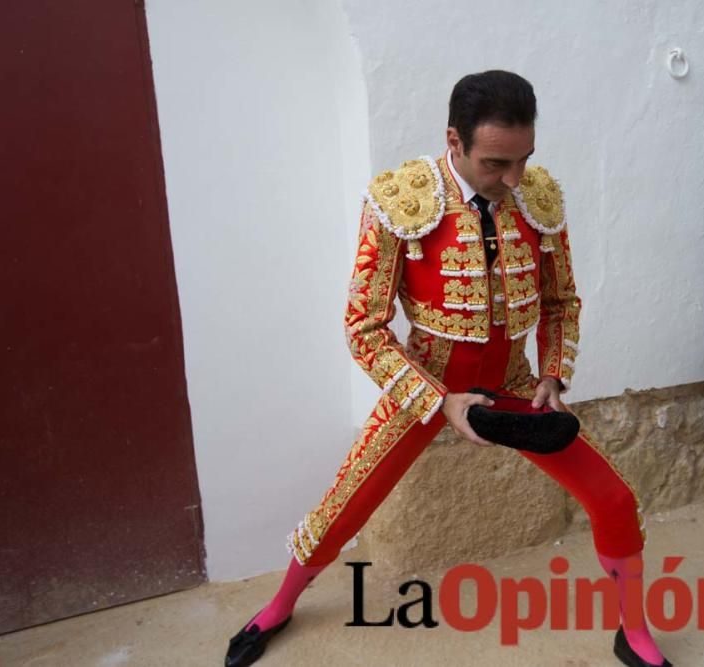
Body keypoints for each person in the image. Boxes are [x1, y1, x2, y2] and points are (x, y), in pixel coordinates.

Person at [224, 70, 671, 667]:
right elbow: (364, 328)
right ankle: (279, 605)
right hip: (429, 381)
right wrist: (440, 401)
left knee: (615, 500)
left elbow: (561, 301)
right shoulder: (399, 200)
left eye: (525, 159)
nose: (514, 180)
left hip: (514, 382)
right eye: (496, 163)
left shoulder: (538, 196)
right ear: (454, 142)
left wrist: (552, 376)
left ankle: (634, 633)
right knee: (344, 506)